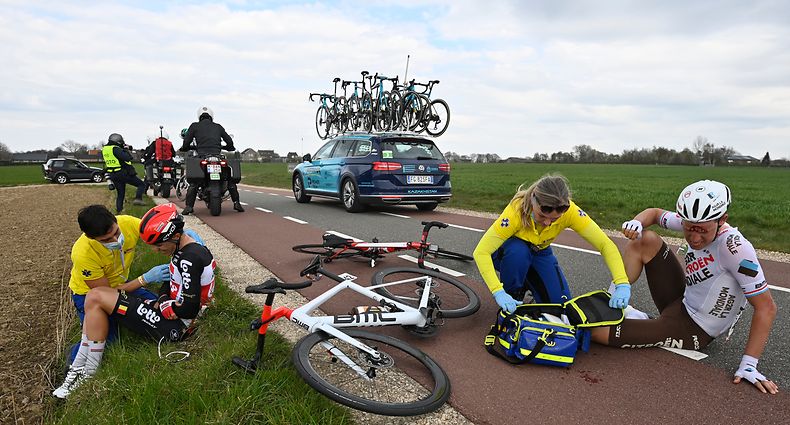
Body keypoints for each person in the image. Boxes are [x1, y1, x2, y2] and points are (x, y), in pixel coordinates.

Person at [590, 180, 778, 394]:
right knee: (645, 239)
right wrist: (636, 223)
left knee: (595, 332)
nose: (695, 237)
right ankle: (613, 301)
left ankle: (642, 321)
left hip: (694, 329)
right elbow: (653, 213)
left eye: (702, 231)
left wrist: (749, 365)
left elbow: (766, 307)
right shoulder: (694, 220)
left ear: (722, 219)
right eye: (689, 229)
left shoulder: (736, 249)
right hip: (681, 301)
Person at [53, 203, 216, 398]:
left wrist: (186, 234)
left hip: (141, 303)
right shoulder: (83, 253)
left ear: (116, 220)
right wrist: (144, 280)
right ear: (91, 238)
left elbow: (156, 231)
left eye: (116, 232)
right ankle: (75, 365)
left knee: (100, 306)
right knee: (105, 329)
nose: (115, 240)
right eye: (107, 239)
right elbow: (105, 290)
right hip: (89, 291)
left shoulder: (129, 224)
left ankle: (86, 370)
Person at [473, 174, 631, 313]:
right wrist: (498, 292)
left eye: (555, 219)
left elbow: (605, 244)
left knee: (560, 307)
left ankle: (529, 281)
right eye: (542, 216)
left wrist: (622, 283)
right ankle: (514, 292)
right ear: (533, 200)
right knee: (518, 252)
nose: (548, 223)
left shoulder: (571, 212)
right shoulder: (517, 211)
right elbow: (481, 252)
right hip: (510, 252)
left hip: (540, 252)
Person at [178, 106, 244, 214]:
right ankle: (237, 203)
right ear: (211, 116)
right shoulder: (218, 127)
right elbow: (230, 142)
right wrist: (229, 147)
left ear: (199, 116)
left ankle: (189, 207)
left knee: (194, 183)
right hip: (217, 156)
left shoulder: (194, 126)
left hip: (202, 157)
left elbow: (186, 143)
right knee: (230, 181)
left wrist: (185, 148)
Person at [103, 133, 147, 213]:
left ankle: (119, 211)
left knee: (120, 194)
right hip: (122, 173)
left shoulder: (106, 149)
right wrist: (125, 149)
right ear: (118, 141)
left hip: (113, 174)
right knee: (141, 184)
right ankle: (138, 199)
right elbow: (127, 158)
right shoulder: (115, 149)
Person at [143, 130, 177, 195]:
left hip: (158, 161)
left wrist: (146, 158)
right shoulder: (169, 143)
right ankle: (177, 188)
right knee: (174, 172)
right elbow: (173, 154)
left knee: (147, 170)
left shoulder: (155, 142)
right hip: (169, 162)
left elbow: (150, 152)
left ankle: (144, 190)